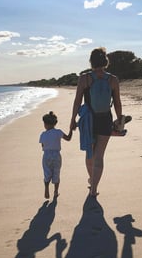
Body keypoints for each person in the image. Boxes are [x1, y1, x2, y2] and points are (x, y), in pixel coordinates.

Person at [70, 47, 123, 197]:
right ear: (105, 61)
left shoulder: (84, 78)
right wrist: (119, 119)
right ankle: (94, 188)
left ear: (91, 61)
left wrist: (73, 120)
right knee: (99, 156)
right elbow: (117, 102)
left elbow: (77, 101)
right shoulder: (113, 79)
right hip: (105, 119)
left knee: (89, 154)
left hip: (88, 120)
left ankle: (91, 181)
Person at [39, 111, 72, 199]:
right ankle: (56, 191)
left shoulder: (43, 134)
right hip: (57, 155)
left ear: (45, 124)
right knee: (56, 173)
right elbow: (68, 138)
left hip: (46, 155)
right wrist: (71, 130)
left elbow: (43, 145)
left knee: (47, 173)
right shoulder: (58, 132)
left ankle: (46, 188)